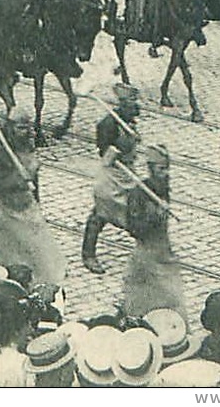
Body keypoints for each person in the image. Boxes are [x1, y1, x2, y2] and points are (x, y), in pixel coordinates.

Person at [0, 107, 65, 287]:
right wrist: (18, 181)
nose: (25, 132)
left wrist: (36, 198)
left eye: (27, 127)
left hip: (26, 204)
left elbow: (34, 177)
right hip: (7, 208)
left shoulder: (27, 145)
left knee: (36, 243)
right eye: (20, 128)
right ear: (10, 128)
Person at [83, 82, 141, 274]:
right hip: (111, 176)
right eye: (132, 103)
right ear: (122, 105)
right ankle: (88, 254)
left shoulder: (129, 121)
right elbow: (105, 155)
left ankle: (144, 254)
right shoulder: (108, 124)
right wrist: (120, 146)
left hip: (128, 173)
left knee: (135, 212)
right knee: (100, 214)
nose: (136, 107)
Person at [123, 143, 184, 319]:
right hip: (145, 257)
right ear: (150, 168)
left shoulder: (163, 188)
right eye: (161, 169)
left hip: (164, 252)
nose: (166, 173)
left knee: (172, 300)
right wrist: (155, 216)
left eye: (167, 169)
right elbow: (134, 228)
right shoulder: (138, 194)